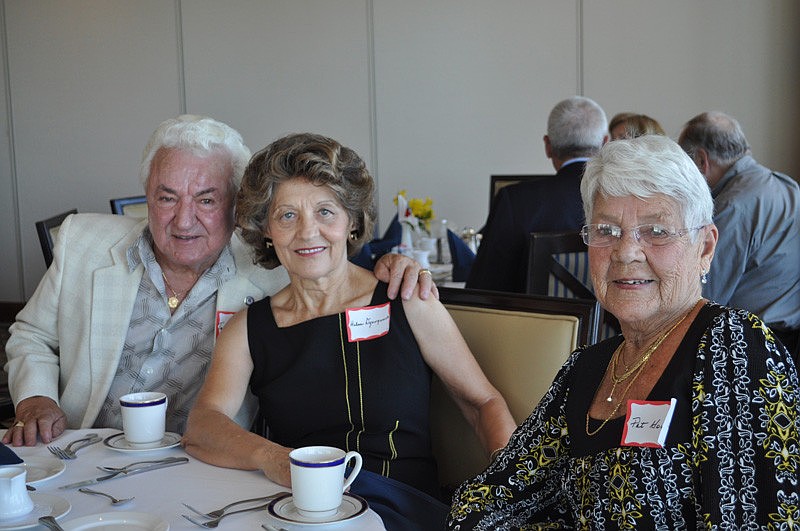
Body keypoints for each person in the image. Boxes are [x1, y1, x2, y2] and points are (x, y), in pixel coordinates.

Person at [2, 115, 434, 447]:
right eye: (166, 197)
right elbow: (31, 335)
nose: (183, 219)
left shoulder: (276, 264)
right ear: (147, 194)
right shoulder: (83, 244)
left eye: (206, 200)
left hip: (199, 464)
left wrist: (393, 263)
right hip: (78, 451)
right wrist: (36, 399)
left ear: (238, 206)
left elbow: (329, 254)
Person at [448, 135, 800, 529]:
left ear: (705, 247)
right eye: (607, 230)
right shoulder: (586, 367)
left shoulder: (731, 347)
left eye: (656, 231)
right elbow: (489, 496)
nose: (625, 252)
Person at [182, 133, 516, 527]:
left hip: (402, 510)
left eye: (326, 212)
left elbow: (482, 404)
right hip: (303, 513)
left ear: (352, 221)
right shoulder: (250, 328)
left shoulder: (405, 298)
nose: (308, 232)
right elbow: (203, 425)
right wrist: (274, 460)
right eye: (287, 215)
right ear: (266, 229)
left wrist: (509, 490)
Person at [678, 111, 800, 356]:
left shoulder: (733, 207)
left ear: (702, 161)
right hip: (788, 345)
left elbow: (703, 295)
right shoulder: (787, 187)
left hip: (750, 350)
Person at [466, 96, 608, 293]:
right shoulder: (623, 199)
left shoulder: (515, 201)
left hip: (533, 323)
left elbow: (483, 289)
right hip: (612, 324)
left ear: (548, 146)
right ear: (606, 142)